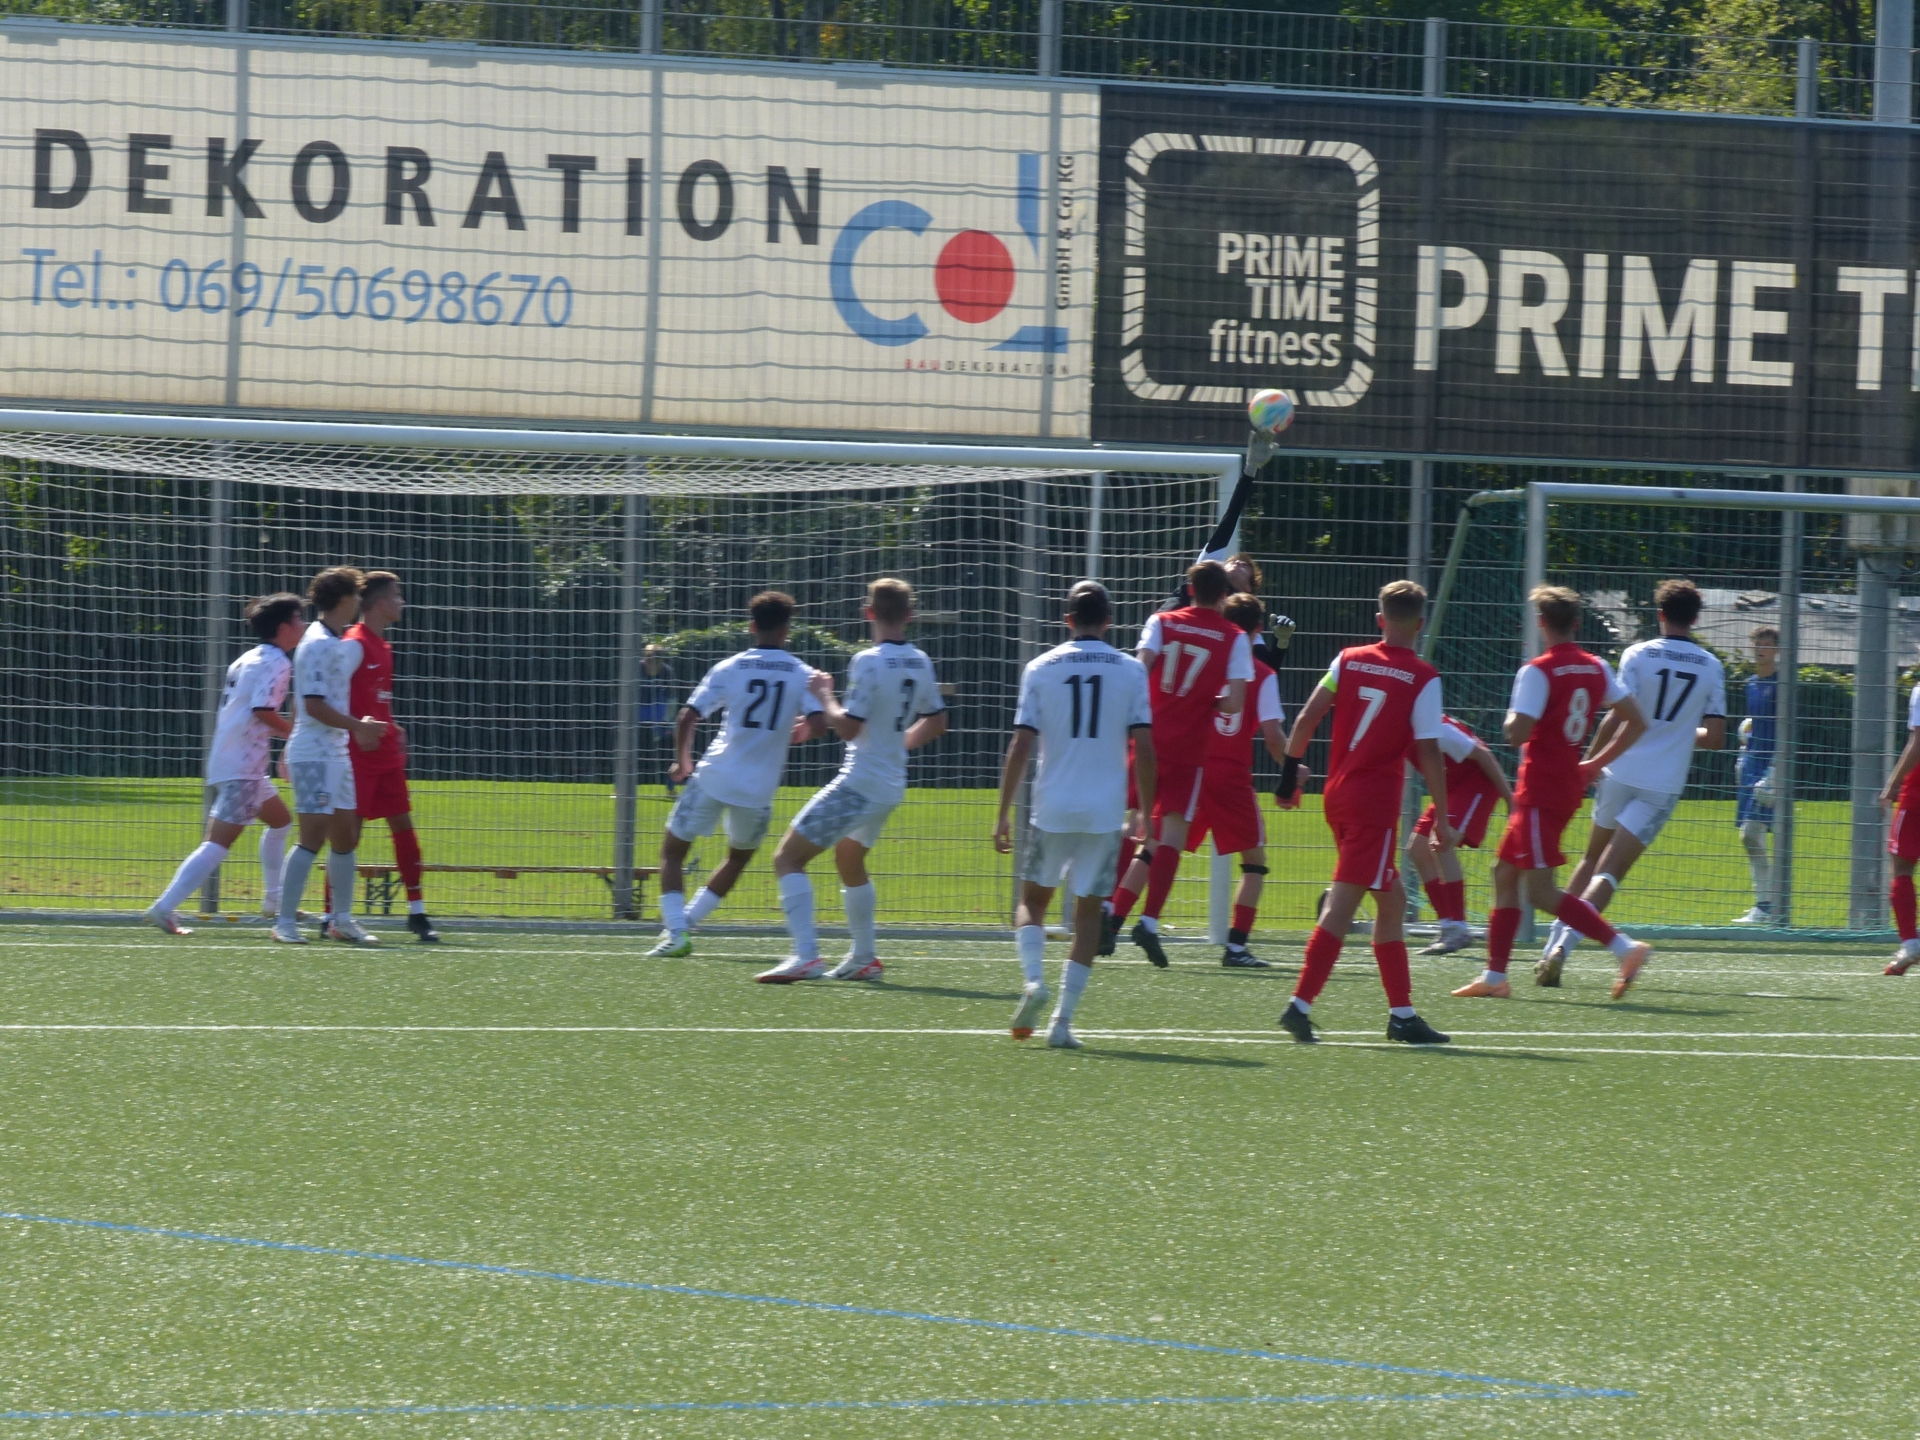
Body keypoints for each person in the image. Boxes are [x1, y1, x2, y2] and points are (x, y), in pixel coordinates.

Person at [1273, 580, 1454, 1045]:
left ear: (1380, 620)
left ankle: (1403, 1015)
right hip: (1374, 804)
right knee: (1343, 903)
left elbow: (1305, 718)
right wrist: (1445, 816)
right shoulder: (1423, 677)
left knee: (1390, 900)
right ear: (1420, 623)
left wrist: (1287, 777)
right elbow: (1429, 752)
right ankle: (1299, 1005)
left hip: (1338, 796)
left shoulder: (1348, 660)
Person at [1460, 586, 1650, 1000]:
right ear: (1577, 623)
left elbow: (1516, 734)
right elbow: (1635, 721)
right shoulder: (1596, 666)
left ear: (1542, 623)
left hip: (1540, 790)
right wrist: (1595, 764)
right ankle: (1494, 977)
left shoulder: (1538, 671)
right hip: (1564, 787)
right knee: (1504, 873)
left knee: (1540, 891)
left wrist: (1513, 713)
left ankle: (1624, 947)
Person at [757, 578, 948, 983]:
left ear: (868, 613)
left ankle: (806, 956)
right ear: (910, 616)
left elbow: (847, 728)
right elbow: (937, 720)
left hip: (860, 783)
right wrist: (895, 746)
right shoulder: (920, 660)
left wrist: (824, 694)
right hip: (890, 783)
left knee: (787, 858)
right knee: (849, 858)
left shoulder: (867, 661)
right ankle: (864, 957)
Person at [993, 581, 1156, 1048]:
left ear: (1067, 620)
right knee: (1088, 915)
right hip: (1105, 812)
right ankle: (1062, 1023)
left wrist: (1002, 812)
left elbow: (1021, 744)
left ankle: (1032, 981)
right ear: (1108, 622)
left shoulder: (1040, 668)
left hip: (1053, 806)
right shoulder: (1130, 671)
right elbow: (1144, 747)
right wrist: (1145, 810)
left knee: (1032, 903)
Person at [1537, 579, 1725, 981]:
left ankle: (1550, 944)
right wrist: (1681, 729)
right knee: (1610, 872)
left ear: (1659, 615)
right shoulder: (1711, 666)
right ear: (1695, 618)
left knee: (1590, 858)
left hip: (1618, 770)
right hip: (1661, 785)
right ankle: (1563, 950)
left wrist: (1589, 762)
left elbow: (1618, 715)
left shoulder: (1638, 654)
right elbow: (1715, 738)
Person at [647, 592, 826, 958]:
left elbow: (688, 716)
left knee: (673, 852)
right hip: (758, 790)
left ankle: (676, 931)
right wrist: (801, 727)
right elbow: (820, 722)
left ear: (752, 627)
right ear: (787, 631)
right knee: (738, 858)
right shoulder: (802, 673)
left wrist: (683, 762)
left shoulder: (731, 667)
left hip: (715, 775)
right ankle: (688, 923)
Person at [1102, 560, 1251, 968]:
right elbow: (1235, 702)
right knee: (1171, 833)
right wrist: (1204, 700)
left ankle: (1106, 910)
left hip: (1147, 736)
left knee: (1134, 825)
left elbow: (1140, 668)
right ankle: (1148, 921)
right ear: (1224, 595)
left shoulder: (1161, 621)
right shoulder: (1234, 635)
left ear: (1189, 588)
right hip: (1189, 746)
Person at [144, 593, 304, 934]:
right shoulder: (278, 662)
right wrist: (297, 734)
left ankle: (274, 901)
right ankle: (164, 907)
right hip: (242, 766)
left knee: (280, 821)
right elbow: (262, 710)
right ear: (283, 627)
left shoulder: (249, 657)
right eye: (299, 619)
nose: (303, 626)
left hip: (236, 760)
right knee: (217, 844)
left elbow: (250, 712)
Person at [272, 568, 387, 946]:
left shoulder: (332, 640)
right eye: (356, 595)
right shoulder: (318, 643)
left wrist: (358, 724)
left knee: (345, 838)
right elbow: (314, 706)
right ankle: (284, 922)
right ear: (343, 600)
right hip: (315, 754)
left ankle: (341, 920)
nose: (360, 602)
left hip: (335, 752)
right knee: (311, 838)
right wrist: (359, 726)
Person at [334, 571, 440, 944]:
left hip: (385, 753)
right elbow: (328, 693)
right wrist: (354, 731)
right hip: (356, 757)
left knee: (404, 826)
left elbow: (376, 699)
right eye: (397, 596)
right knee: (348, 835)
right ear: (379, 603)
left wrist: (395, 728)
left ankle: (416, 911)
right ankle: (334, 914)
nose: (402, 602)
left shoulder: (383, 646)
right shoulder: (353, 644)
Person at [1185, 592, 1287, 967]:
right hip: (1230, 776)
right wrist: (1293, 770)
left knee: (1154, 847)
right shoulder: (1263, 674)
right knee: (1255, 863)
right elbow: (1275, 739)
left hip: (1192, 768)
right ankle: (1237, 947)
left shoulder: (1206, 661)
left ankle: (1113, 918)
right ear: (1259, 629)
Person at [1407, 714, 1513, 956]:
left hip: (1476, 784)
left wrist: (1510, 800)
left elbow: (1483, 755)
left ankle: (1459, 927)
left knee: (1441, 844)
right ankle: (1448, 926)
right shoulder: (1402, 730)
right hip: (1450, 788)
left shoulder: (1437, 728)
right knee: (1417, 849)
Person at [1733, 625, 1780, 924]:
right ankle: (1766, 905)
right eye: (1757, 644)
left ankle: (1770, 904)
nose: (1761, 649)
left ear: (1777, 650)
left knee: (1752, 833)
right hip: (1751, 764)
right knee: (1750, 837)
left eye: (1767, 645)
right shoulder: (1751, 684)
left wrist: (1775, 770)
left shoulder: (1782, 685)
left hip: (1772, 767)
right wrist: (1743, 755)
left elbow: (1786, 732)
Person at [1878, 643, 1920, 975]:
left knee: (1902, 867)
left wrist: (1892, 785)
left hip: (1917, 791)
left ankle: (1910, 943)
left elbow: (1917, 743)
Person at [639, 644, 680, 798]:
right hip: (638, 710)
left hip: (659, 711)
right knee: (627, 747)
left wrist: (668, 722)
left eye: (657, 660)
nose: (652, 664)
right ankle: (619, 788)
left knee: (672, 748)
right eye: (649, 659)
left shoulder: (667, 672)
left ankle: (671, 788)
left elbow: (672, 699)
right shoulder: (636, 669)